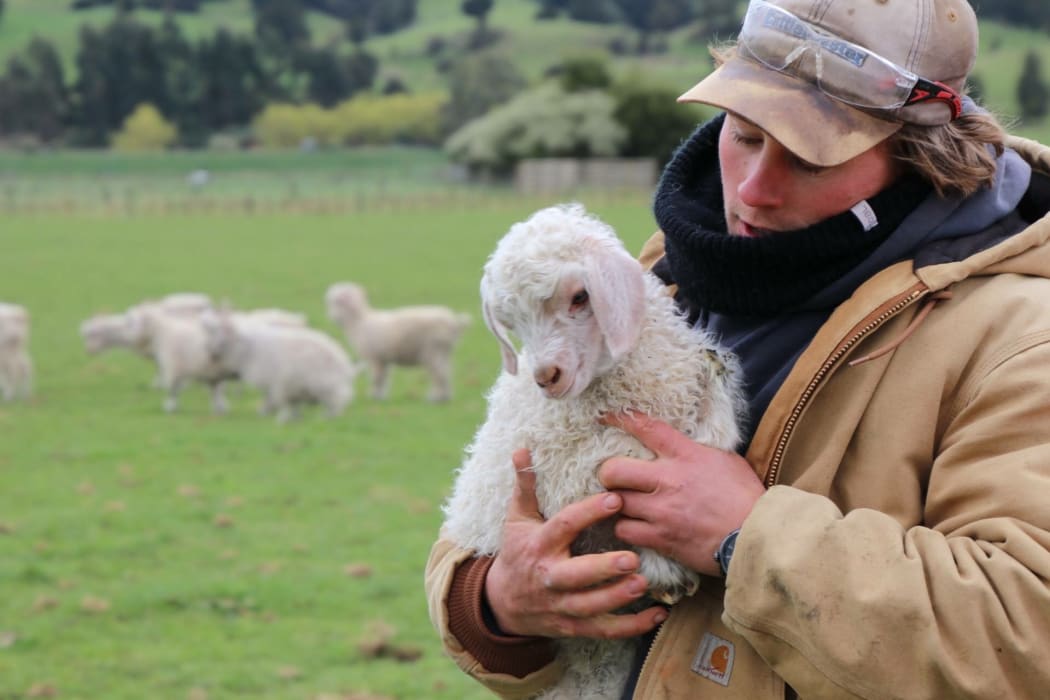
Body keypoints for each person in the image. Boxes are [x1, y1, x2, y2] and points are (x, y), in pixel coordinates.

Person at [426, 0, 1050, 696]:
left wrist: (747, 536)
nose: (752, 191)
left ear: (917, 155)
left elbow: (1023, 636)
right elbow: (493, 507)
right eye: (746, 134)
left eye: (810, 158)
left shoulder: (1021, 339)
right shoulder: (658, 282)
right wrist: (495, 603)